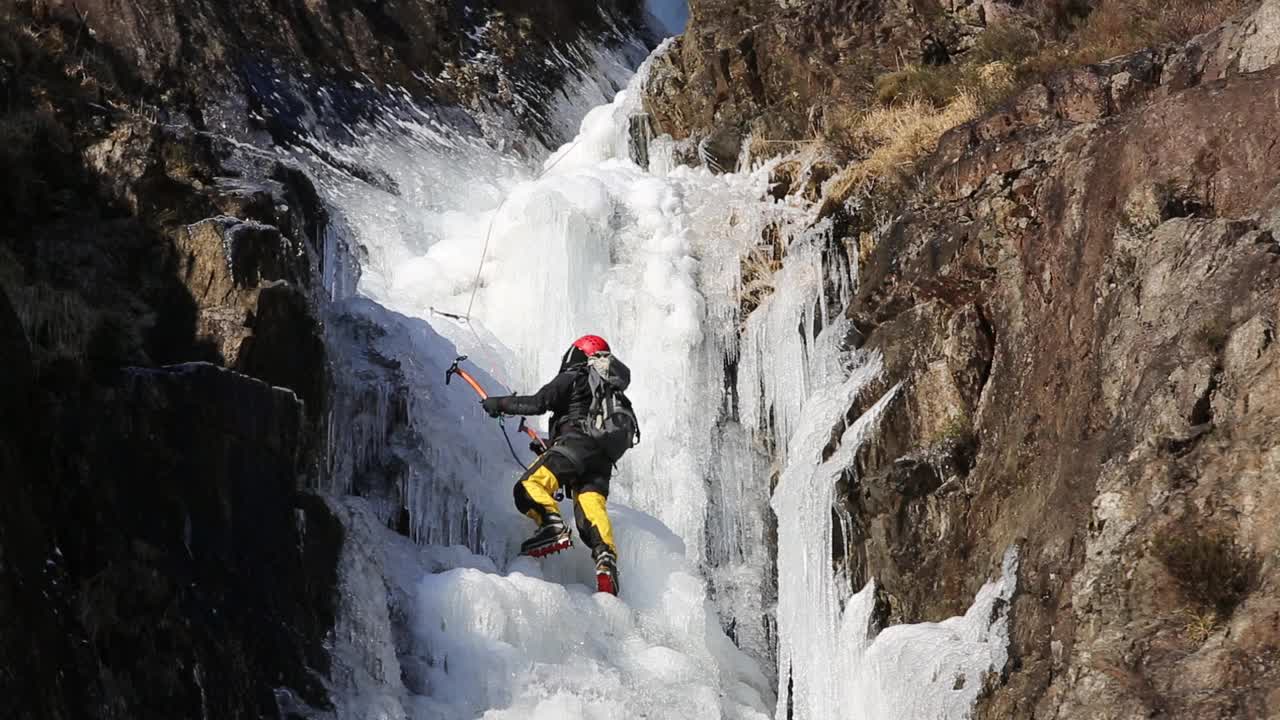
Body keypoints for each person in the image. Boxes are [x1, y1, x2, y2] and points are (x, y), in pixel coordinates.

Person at [480, 334, 633, 595]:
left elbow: (539, 403)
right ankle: (606, 560)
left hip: (576, 447)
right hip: (601, 460)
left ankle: (551, 523)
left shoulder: (575, 375)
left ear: (578, 354)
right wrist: (550, 445)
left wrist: (500, 404)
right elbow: (582, 419)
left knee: (529, 486)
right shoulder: (610, 392)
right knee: (590, 507)